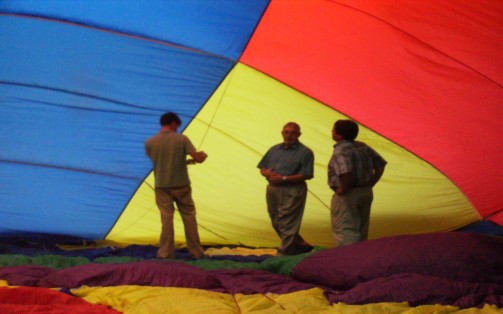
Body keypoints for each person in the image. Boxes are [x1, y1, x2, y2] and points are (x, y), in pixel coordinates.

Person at [145, 112, 207, 259]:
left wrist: (183, 161)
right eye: (177, 125)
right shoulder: (182, 139)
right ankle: (196, 252)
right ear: (173, 123)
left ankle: (165, 253)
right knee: (189, 217)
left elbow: (162, 161)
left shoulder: (150, 142)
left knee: (166, 219)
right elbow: (197, 158)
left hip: (161, 185)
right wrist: (202, 155)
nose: (178, 128)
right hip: (181, 185)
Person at [257, 122, 314, 255]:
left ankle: (284, 253)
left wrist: (283, 179)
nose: (289, 135)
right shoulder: (274, 149)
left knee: (288, 222)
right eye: (286, 132)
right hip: (273, 189)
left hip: (292, 189)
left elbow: (307, 174)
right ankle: (299, 245)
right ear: (282, 133)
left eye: (293, 132)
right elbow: (262, 167)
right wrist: (265, 172)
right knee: (276, 220)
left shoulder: (305, 152)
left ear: (299, 134)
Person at [328, 119, 387, 247]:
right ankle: (361, 257)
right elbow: (380, 165)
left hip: (349, 193)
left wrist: (343, 188)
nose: (331, 131)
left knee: (346, 230)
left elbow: (345, 172)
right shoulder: (362, 146)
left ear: (338, 135)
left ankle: (348, 260)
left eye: (333, 129)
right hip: (365, 191)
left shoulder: (340, 151)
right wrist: (372, 182)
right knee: (362, 227)